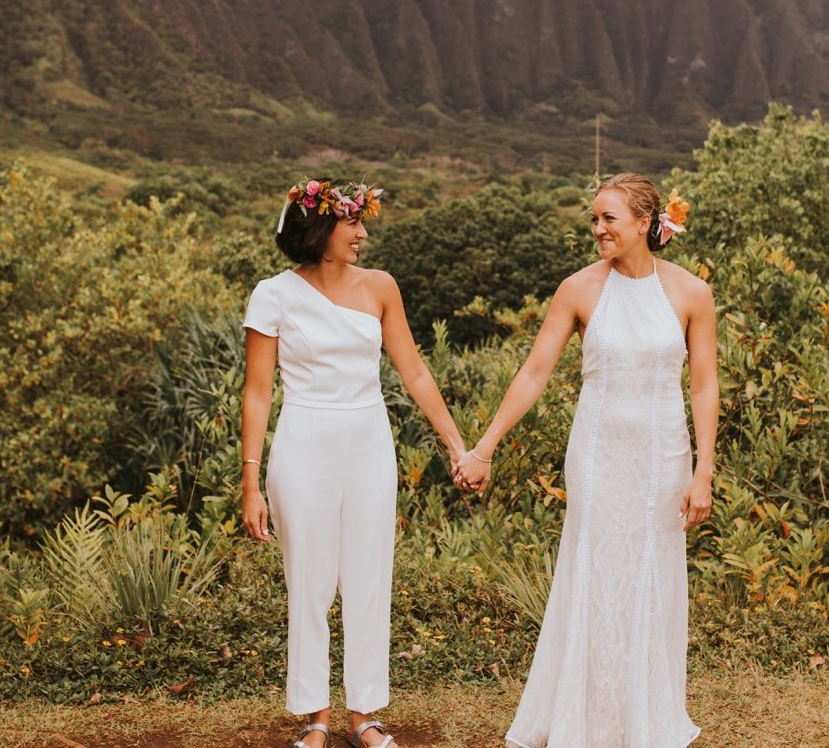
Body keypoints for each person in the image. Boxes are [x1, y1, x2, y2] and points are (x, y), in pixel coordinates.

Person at [455, 172, 717, 747]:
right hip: (597, 453)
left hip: (662, 456)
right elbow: (534, 373)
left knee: (650, 574)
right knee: (594, 573)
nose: (597, 229)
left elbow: (703, 386)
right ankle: (586, 716)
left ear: (645, 224)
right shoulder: (577, 289)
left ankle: (643, 717)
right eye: (594, 219)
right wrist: (485, 445)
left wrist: (704, 469)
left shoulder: (691, 293)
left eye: (608, 219)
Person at [241, 178, 471, 748]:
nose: (363, 234)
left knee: (369, 578)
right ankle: (315, 718)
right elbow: (257, 393)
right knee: (310, 582)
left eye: (362, 223)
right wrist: (250, 482)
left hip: (368, 439)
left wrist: (454, 442)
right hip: (303, 440)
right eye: (353, 224)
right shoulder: (272, 295)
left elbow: (413, 370)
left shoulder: (381, 287)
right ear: (320, 228)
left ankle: (363, 715)